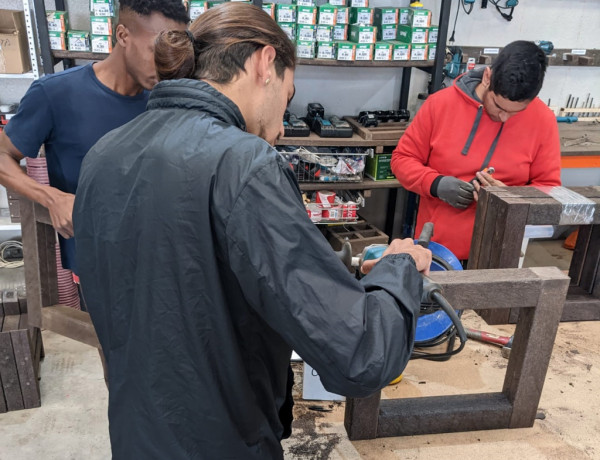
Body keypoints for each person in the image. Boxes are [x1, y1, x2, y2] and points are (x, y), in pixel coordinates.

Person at [73, 3, 432, 458]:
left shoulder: (105, 153)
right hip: (222, 444)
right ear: (265, 62)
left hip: (135, 437)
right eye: (288, 95)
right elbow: (359, 355)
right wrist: (400, 269)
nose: (282, 126)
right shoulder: (243, 163)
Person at [0, 0, 188, 276]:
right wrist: (51, 198)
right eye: (155, 50)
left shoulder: (166, 96)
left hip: (161, 257)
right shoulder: (56, 93)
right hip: (98, 261)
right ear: (122, 35)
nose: (166, 63)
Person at [391, 40, 562, 262]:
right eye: (499, 106)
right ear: (487, 77)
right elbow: (402, 160)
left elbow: (549, 188)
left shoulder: (543, 120)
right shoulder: (439, 105)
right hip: (437, 251)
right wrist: (436, 184)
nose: (504, 118)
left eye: (515, 112)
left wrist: (510, 198)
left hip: (503, 250)